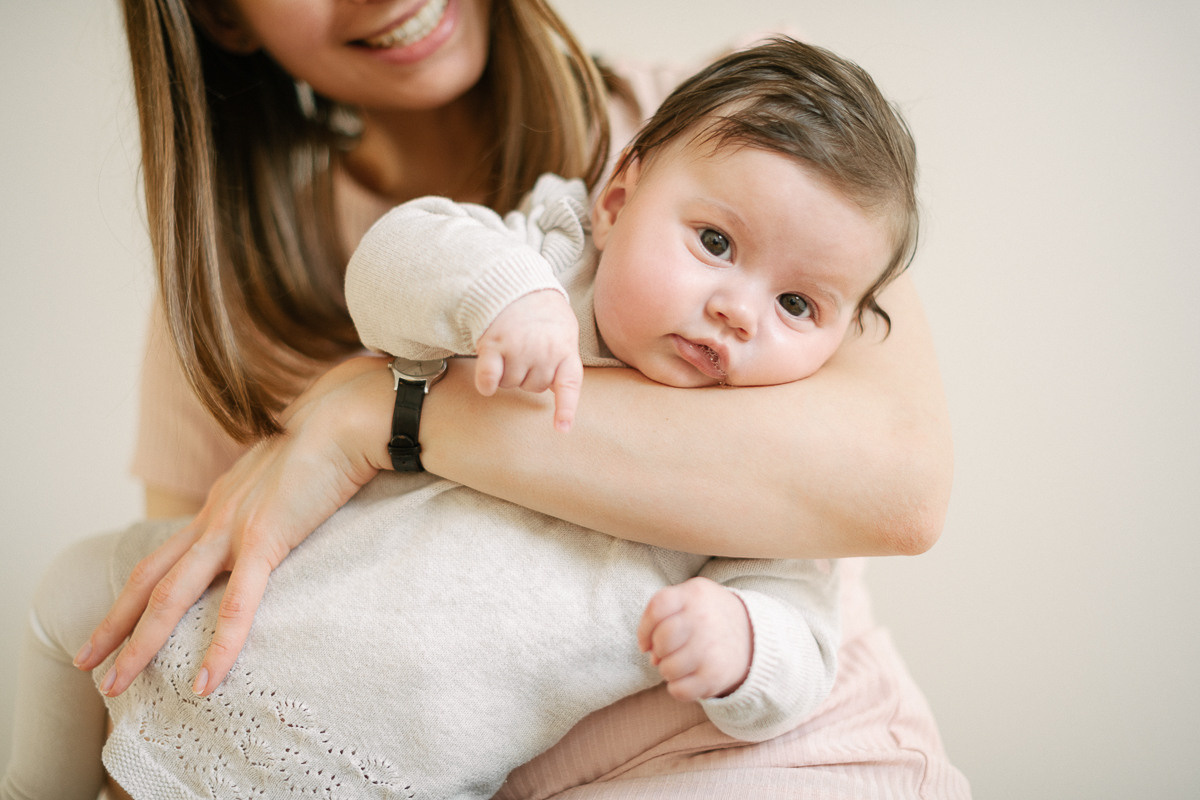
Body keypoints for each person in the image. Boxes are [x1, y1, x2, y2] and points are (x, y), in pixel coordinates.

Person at [1, 0, 968, 798]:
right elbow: (198, 612)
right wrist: (506, 299)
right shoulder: (540, 247)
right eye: (713, 247)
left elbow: (897, 497)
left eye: (797, 306)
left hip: (766, 764)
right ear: (618, 200)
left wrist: (382, 414)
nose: (738, 311)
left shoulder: (742, 125)